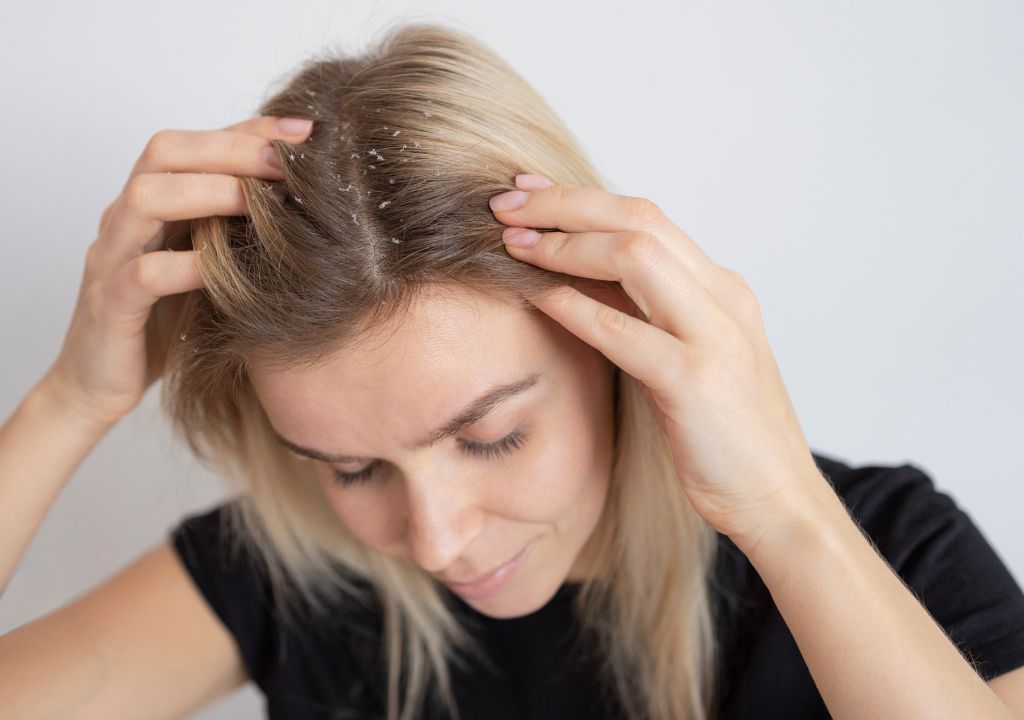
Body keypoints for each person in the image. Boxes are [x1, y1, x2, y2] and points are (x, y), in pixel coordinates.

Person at [1, 20, 1023, 720]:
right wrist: (68, 404)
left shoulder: (888, 551)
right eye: (350, 469)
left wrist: (786, 518)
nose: (437, 539)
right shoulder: (287, 571)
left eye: (491, 435)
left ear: (614, 331)